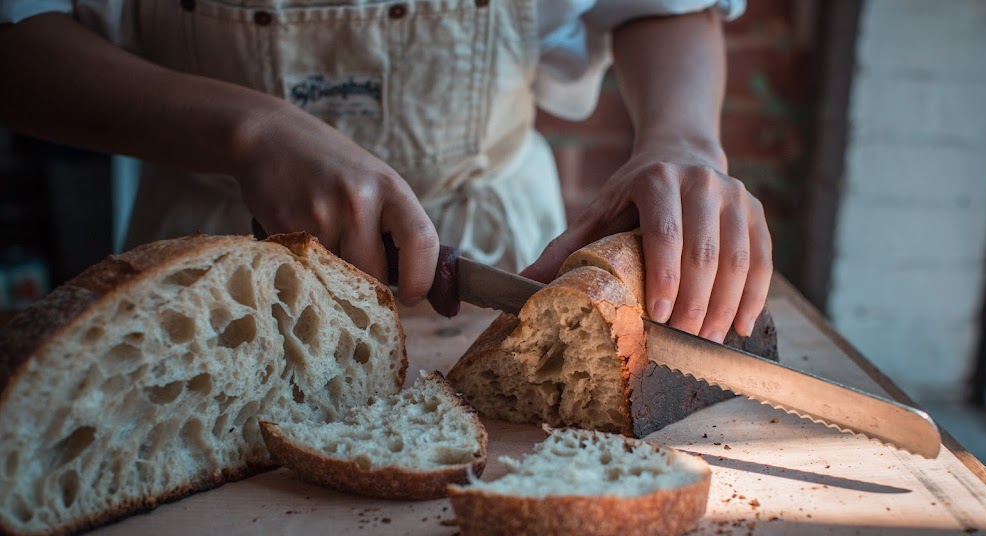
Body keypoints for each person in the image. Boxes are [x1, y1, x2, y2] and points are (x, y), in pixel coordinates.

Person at [0, 0, 771, 343]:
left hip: (493, 261)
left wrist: (684, 140)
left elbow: (662, 4)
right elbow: (20, 48)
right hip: (210, 278)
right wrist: (250, 133)